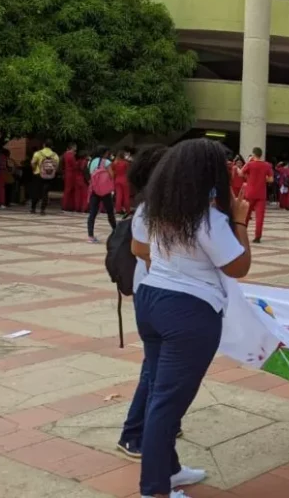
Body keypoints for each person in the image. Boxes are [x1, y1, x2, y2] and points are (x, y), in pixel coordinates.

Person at [131, 139, 252, 498]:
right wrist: (241, 219)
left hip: (151, 299)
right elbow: (239, 266)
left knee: (158, 393)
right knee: (167, 404)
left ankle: (168, 470)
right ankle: (154, 489)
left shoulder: (157, 207)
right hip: (188, 311)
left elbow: (141, 249)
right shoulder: (207, 218)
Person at [114, 145, 173, 461]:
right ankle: (132, 433)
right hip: (155, 297)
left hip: (152, 294)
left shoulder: (154, 207)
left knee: (161, 365)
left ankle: (160, 420)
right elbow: (145, 253)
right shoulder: (149, 211)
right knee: (155, 367)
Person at [241, 147, 273, 243]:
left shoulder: (250, 164)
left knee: (246, 215)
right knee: (260, 216)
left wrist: (248, 162)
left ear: (254, 154)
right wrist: (263, 179)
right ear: (261, 154)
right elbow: (271, 180)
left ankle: (243, 234)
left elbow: (241, 173)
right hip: (261, 194)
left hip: (250, 193)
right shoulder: (267, 165)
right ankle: (258, 236)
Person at [87, 146, 117, 243]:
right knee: (110, 212)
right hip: (105, 191)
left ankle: (90, 236)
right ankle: (115, 231)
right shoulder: (106, 162)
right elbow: (111, 175)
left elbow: (90, 174)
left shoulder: (91, 162)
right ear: (105, 153)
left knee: (92, 213)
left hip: (94, 189)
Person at [30, 140, 60, 215]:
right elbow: (56, 166)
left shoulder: (38, 153)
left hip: (38, 174)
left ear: (44, 145)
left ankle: (33, 208)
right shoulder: (55, 155)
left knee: (36, 191)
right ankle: (42, 210)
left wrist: (35, 170)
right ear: (51, 146)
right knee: (45, 193)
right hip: (49, 176)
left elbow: (33, 163)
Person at [113, 150, 132, 215]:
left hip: (117, 179)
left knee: (118, 195)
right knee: (126, 196)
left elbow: (114, 172)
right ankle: (127, 209)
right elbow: (129, 172)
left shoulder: (115, 163)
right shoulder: (126, 163)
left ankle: (118, 209)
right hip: (124, 179)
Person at [62, 143, 79, 212]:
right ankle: (66, 205)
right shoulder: (71, 155)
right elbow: (75, 166)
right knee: (69, 190)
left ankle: (67, 205)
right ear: (73, 147)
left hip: (67, 172)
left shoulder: (65, 154)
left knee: (67, 190)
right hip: (71, 174)